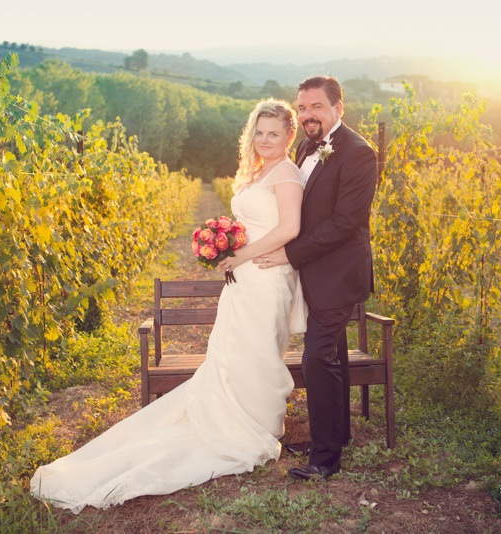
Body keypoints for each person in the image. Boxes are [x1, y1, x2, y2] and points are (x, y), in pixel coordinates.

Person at [30, 99, 306, 513]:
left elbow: (290, 228)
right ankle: (232, 418)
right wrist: (226, 246)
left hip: (267, 278)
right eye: (259, 132)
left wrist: (242, 254)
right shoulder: (258, 171)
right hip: (243, 279)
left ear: (289, 135)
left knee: (259, 353)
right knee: (233, 353)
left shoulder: (287, 173)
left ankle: (253, 427)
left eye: (274, 133)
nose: (265, 140)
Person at [256, 76, 378, 481]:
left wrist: (289, 253)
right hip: (313, 272)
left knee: (316, 355)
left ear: (338, 108)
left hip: (339, 274)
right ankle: (335, 435)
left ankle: (325, 460)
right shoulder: (308, 145)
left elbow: (346, 222)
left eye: (317, 107)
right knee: (335, 355)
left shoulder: (360, 153)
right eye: (303, 108)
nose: (308, 115)